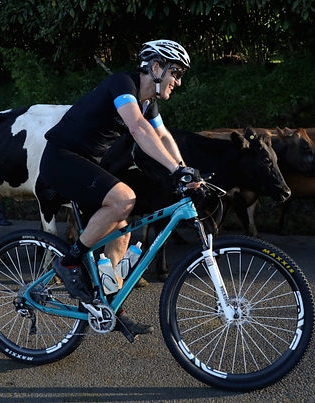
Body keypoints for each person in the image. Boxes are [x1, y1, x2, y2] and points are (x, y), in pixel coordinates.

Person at [39, 39, 201, 336]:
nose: (178, 81)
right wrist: (174, 170)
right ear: (156, 67)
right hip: (61, 158)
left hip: (86, 163)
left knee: (122, 230)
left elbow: (162, 135)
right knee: (124, 198)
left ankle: (111, 306)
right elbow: (138, 129)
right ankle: (69, 262)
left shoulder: (148, 103)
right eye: (175, 72)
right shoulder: (122, 84)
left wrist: (186, 171)